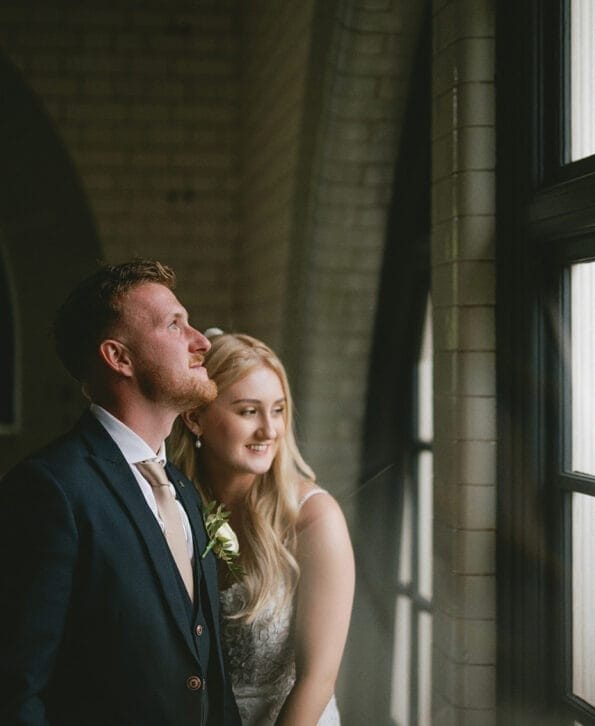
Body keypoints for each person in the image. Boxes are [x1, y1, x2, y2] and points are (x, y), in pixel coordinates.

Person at [0, 259, 241, 725]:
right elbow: (16, 691)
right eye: (175, 325)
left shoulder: (184, 491)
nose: (202, 342)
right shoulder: (50, 489)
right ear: (119, 358)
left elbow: (207, 671)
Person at [168, 331, 355, 726]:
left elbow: (317, 678)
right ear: (195, 417)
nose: (270, 430)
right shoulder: (171, 505)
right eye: (249, 411)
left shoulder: (316, 519)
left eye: (279, 409)